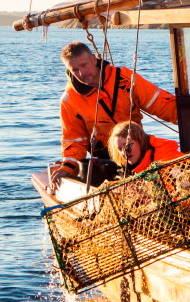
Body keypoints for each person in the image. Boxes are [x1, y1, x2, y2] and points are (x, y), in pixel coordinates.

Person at [51, 41, 177, 191]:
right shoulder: (69, 99)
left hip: (138, 148)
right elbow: (74, 140)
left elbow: (160, 103)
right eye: (75, 70)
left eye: (84, 65)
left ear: (93, 59)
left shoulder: (124, 77)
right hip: (106, 161)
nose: (81, 74)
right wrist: (69, 166)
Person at [108, 121, 184, 176]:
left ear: (140, 141)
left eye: (127, 145)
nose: (124, 153)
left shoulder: (165, 158)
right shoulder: (130, 169)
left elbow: (185, 185)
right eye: (120, 149)